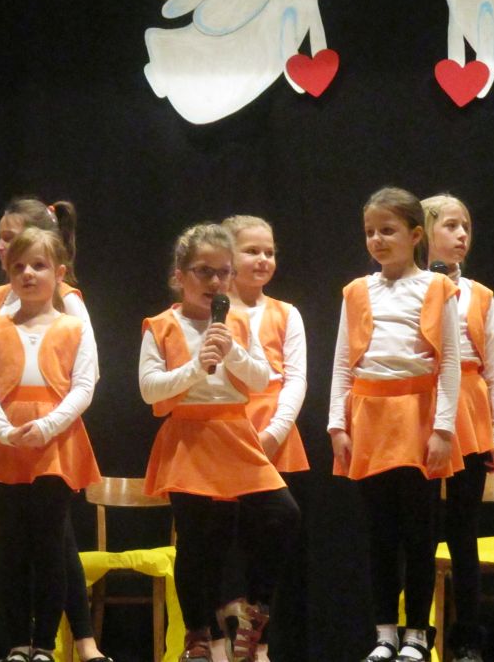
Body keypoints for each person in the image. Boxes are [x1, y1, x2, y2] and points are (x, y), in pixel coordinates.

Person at [0, 197, 112, 662]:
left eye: (36, 263)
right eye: (16, 263)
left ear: (57, 269)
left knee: (52, 543)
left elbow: (84, 379)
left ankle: (49, 644)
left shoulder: (71, 316)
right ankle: (16, 641)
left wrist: (49, 424)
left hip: (53, 438)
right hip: (6, 439)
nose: (25, 271)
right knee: (10, 543)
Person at [140, 223, 300, 662]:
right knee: (197, 540)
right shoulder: (161, 326)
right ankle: (199, 635)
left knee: (283, 514)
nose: (215, 281)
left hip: (234, 434)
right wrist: (197, 365)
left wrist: (231, 350)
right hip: (188, 435)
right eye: (203, 271)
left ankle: (255, 610)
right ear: (179, 276)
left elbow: (262, 379)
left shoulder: (238, 323)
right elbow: (150, 389)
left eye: (223, 272)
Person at [328, 187, 462, 662]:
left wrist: (443, 429)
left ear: (415, 235)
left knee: (419, 534)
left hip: (418, 417)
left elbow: (449, 363)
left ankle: (417, 634)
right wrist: (337, 425)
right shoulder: (356, 291)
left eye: (387, 230)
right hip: (370, 418)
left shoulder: (437, 288)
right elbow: (342, 362)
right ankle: (385, 632)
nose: (377, 240)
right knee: (379, 533)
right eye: (370, 232)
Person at [214, 215, 309, 662]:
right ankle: (218, 626)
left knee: (272, 528)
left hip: (273, 431)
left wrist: (274, 433)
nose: (263, 259)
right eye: (252, 250)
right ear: (228, 256)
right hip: (224, 430)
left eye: (269, 251)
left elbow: (296, 379)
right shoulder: (213, 311)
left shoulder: (286, 313)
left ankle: (258, 633)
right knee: (221, 532)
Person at [422, 194, 494, 662]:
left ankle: (468, 640)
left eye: (466, 227)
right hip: (419, 408)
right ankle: (412, 636)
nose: (461, 235)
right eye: (450, 226)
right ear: (424, 231)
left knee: (463, 530)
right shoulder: (408, 288)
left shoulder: (480, 295)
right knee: (416, 529)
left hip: (469, 412)